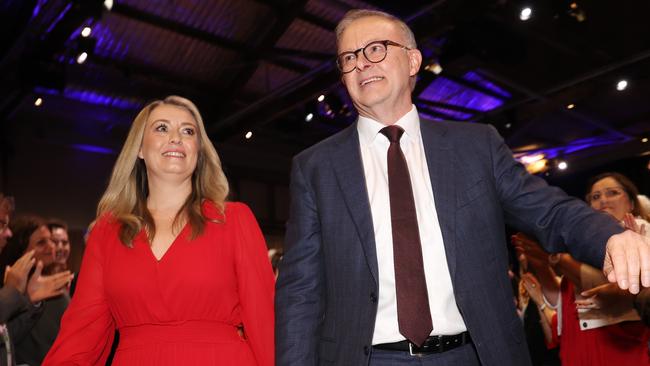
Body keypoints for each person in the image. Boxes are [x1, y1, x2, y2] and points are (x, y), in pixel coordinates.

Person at [275, 9, 650, 366]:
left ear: (412, 61)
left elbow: (548, 211)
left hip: (474, 354)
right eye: (348, 58)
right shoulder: (316, 167)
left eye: (375, 49)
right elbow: (300, 293)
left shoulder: (476, 146)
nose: (361, 64)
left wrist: (609, 237)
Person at [43, 96, 275, 365]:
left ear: (198, 150)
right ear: (139, 148)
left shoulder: (235, 220)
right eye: (162, 128)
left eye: (188, 131)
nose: (176, 137)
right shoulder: (108, 231)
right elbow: (81, 333)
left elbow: (265, 322)